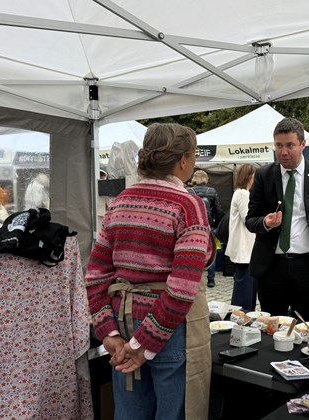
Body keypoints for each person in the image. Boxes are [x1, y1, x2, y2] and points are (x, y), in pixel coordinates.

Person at [85, 123, 214, 420]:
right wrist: (144, 345)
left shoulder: (119, 203)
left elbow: (95, 278)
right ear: (183, 160)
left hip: (125, 320)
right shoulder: (188, 206)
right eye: (193, 156)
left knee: (130, 414)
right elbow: (182, 287)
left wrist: (110, 334)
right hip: (169, 324)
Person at [245, 117, 309, 322]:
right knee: (272, 327)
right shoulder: (264, 175)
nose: (283, 152)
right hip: (272, 266)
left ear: (303, 144)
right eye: (279, 145)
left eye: (290, 145)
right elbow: (250, 220)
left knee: (305, 327)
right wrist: (265, 223)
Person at [226, 163, 258, 311]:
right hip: (245, 247)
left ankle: (244, 315)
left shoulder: (239, 193)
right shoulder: (243, 194)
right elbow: (248, 220)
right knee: (244, 288)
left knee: (246, 286)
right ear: (250, 176)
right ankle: (242, 316)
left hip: (245, 247)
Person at [190, 169, 224, 288]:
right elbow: (219, 211)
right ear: (206, 179)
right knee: (211, 252)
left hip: (192, 227)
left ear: (194, 178)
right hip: (209, 226)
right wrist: (216, 227)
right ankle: (211, 279)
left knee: (193, 252)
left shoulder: (189, 191)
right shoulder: (212, 191)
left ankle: (195, 277)